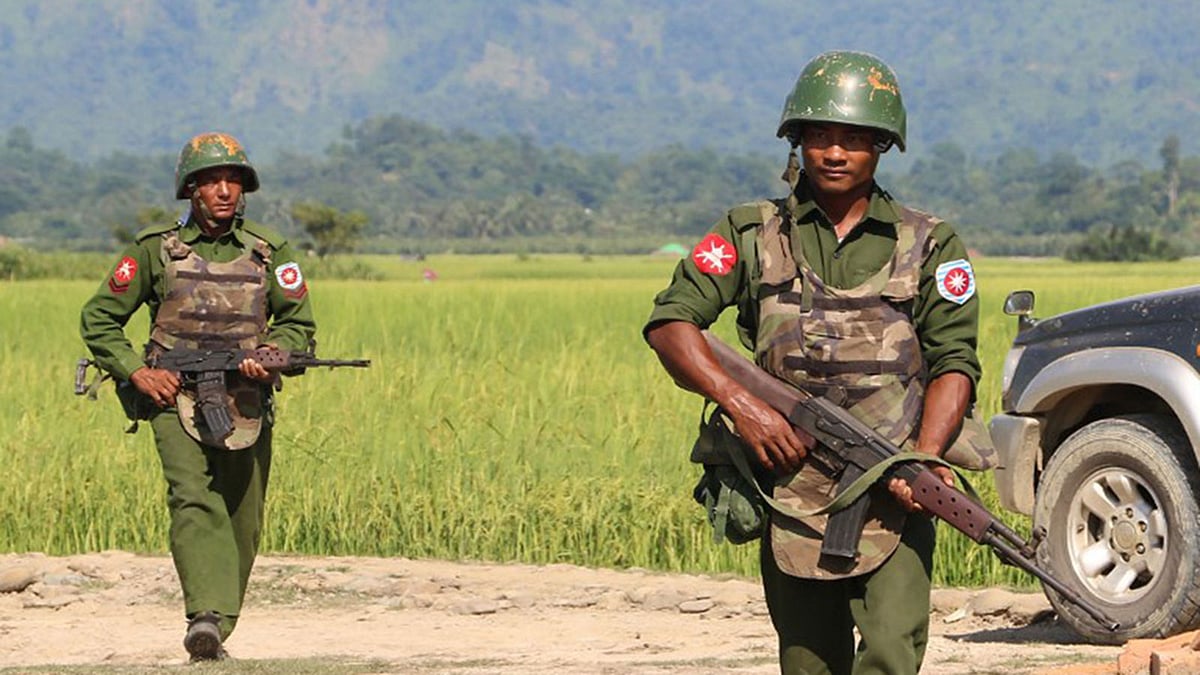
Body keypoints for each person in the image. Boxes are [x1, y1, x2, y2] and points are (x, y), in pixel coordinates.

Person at [643, 51, 994, 674]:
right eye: (820, 136)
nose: (835, 152)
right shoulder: (751, 233)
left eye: (854, 138)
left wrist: (923, 461)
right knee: (808, 663)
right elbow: (672, 325)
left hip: (894, 482)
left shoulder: (931, 243)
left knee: (890, 652)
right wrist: (744, 406)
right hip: (791, 488)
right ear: (796, 142)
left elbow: (955, 363)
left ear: (882, 146)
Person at [80, 132, 316, 662]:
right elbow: (99, 319)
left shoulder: (270, 251)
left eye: (233, 180)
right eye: (212, 181)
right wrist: (137, 372)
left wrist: (274, 352)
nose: (224, 191)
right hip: (171, 396)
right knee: (192, 496)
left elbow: (299, 323)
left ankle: (219, 623)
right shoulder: (153, 250)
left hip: (246, 398)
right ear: (191, 189)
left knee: (243, 513)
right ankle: (203, 618)